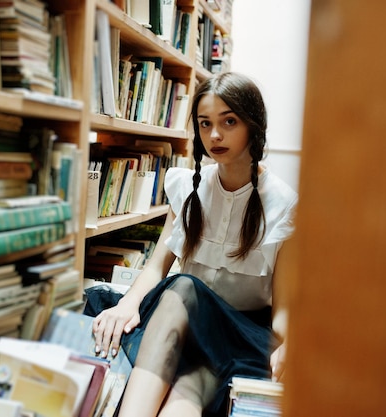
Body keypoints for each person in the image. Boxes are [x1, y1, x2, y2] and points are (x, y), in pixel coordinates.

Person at [90, 72, 298, 417]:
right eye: (204, 124)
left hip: (239, 334)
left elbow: (283, 307)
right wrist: (128, 304)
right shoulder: (185, 187)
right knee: (184, 386)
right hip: (181, 328)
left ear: (253, 125)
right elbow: (158, 265)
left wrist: (293, 343)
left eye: (229, 121)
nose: (214, 135)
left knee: (186, 289)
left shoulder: (284, 203)